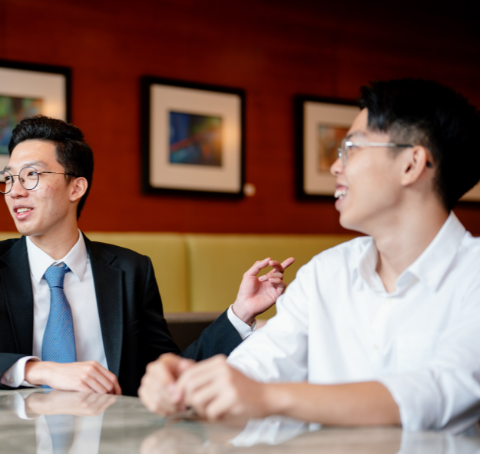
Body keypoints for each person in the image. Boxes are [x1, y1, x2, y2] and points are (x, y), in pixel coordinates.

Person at [139, 78, 480, 432]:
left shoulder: (473, 275)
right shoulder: (326, 272)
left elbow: (437, 390)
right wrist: (188, 382)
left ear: (411, 164)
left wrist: (270, 397)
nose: (335, 167)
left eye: (352, 148)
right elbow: (257, 365)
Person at [0, 116, 293, 396]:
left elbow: (168, 370)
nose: (15, 192)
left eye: (32, 175)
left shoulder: (130, 271)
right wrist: (42, 370)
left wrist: (240, 313)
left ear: (76, 186)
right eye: (8, 179)